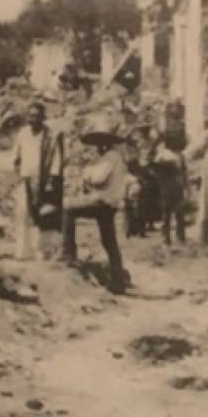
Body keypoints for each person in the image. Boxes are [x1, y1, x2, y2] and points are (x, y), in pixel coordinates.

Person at [60, 115, 129, 294]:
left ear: (107, 142)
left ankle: (69, 253)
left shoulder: (112, 157)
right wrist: (88, 172)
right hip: (105, 201)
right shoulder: (105, 157)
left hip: (104, 201)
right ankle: (118, 280)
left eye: (101, 141)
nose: (98, 145)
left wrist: (87, 173)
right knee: (109, 241)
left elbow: (97, 179)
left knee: (68, 209)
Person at [12, 102, 64, 260]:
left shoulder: (50, 135)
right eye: (30, 116)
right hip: (25, 179)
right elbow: (16, 154)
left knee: (43, 215)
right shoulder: (23, 133)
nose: (32, 119)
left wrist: (52, 181)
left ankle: (42, 250)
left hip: (43, 180)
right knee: (22, 213)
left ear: (43, 117)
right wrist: (16, 170)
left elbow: (57, 159)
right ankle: (23, 251)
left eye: (36, 116)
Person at [153, 129, 187, 245]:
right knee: (167, 212)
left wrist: (185, 185)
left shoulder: (179, 155)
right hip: (167, 184)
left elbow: (183, 171)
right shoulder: (162, 154)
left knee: (179, 212)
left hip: (176, 184)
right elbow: (156, 169)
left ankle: (180, 236)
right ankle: (166, 237)